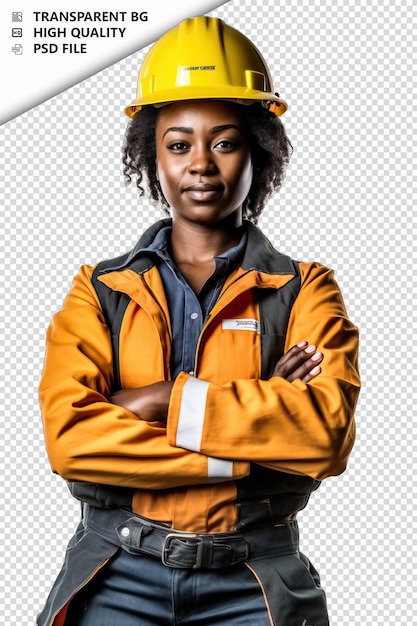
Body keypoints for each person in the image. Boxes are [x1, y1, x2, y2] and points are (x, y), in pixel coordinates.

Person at [38, 16, 360, 626]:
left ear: (258, 149)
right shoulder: (100, 290)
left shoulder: (304, 290)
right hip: (115, 573)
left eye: (225, 141)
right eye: (178, 143)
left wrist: (157, 400)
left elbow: (323, 435)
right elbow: (71, 440)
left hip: (256, 580)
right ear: (151, 156)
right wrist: (256, 435)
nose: (201, 165)